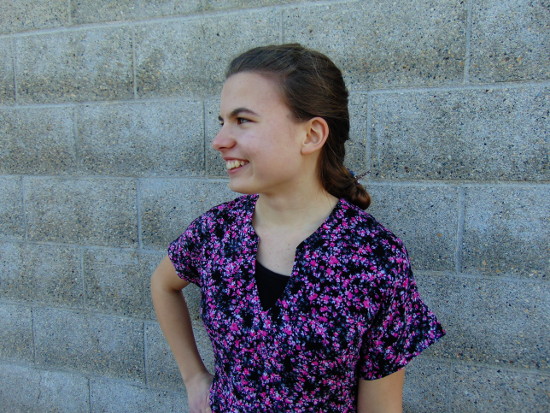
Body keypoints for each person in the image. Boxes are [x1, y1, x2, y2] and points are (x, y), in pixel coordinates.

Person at [151, 44, 445, 413]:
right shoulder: (217, 231)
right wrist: (194, 379)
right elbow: (163, 284)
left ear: (311, 135)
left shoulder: (374, 256)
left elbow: (381, 407)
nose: (220, 141)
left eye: (243, 120)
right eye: (222, 121)